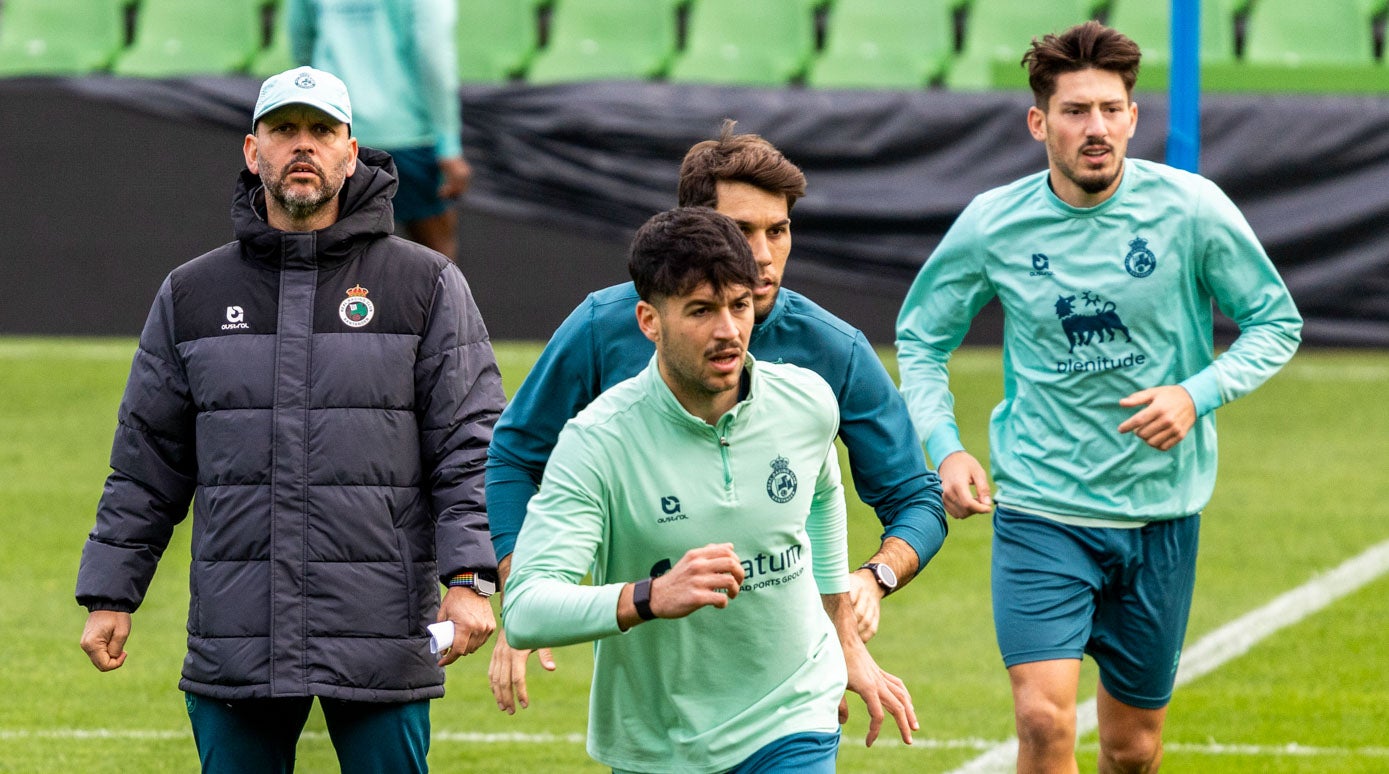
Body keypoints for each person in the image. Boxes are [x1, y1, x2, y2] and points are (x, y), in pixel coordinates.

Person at [896, 21, 1303, 773]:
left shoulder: (1191, 209)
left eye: (1111, 110)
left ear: (1133, 118)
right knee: (1041, 721)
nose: (1096, 128)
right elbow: (920, 339)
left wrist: (1195, 393)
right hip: (1040, 508)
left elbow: (1274, 322)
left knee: (1131, 750)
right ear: (1037, 122)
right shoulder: (994, 222)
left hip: (1159, 516)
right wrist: (944, 448)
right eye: (1076, 111)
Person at [75, 66, 505, 773]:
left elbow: (469, 446)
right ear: (253, 151)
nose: (301, 145)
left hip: (380, 631)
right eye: (283, 130)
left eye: (320, 130)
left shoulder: (425, 285)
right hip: (238, 631)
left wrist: (469, 579)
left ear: (351, 150)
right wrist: (110, 593)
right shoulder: (191, 293)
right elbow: (147, 464)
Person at [485, 121, 948, 713]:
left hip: (791, 670)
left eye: (778, 230)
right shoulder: (606, 325)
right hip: (655, 679)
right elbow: (516, 456)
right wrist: (525, 583)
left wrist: (868, 583)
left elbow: (917, 499)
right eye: (741, 230)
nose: (762, 255)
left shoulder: (835, 350)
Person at [288, 0, 472, 260]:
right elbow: (433, 52)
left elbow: (301, 42)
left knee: (329, 264)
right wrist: (449, 146)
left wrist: (320, 113)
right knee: (439, 265)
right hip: (409, 137)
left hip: (333, 133)